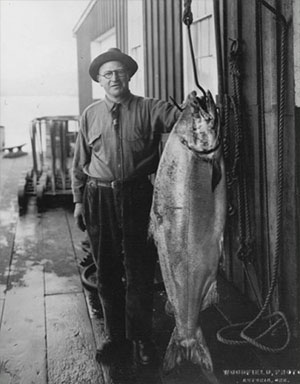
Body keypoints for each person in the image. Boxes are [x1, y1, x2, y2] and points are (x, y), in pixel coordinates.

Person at [72, 48, 180, 365]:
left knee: (140, 270)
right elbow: (80, 163)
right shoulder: (90, 115)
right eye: (108, 74)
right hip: (99, 196)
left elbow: (184, 119)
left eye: (120, 72)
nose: (114, 78)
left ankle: (142, 338)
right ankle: (116, 337)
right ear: (100, 81)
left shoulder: (150, 108)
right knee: (106, 270)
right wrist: (78, 201)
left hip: (139, 197)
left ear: (129, 76)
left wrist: (194, 105)